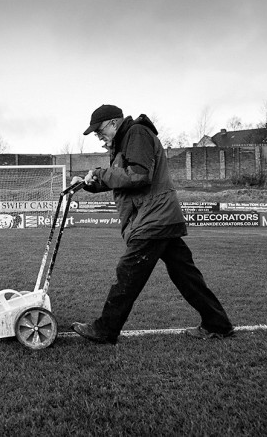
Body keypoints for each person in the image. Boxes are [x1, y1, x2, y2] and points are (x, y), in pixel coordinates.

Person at [71, 104, 235, 344]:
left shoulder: (136, 134)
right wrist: (89, 183)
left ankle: (106, 329)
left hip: (153, 219)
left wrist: (99, 173)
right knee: (187, 277)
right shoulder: (125, 141)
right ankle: (218, 324)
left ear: (113, 123)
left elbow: (138, 175)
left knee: (128, 273)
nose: (98, 136)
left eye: (99, 130)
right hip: (159, 217)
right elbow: (122, 178)